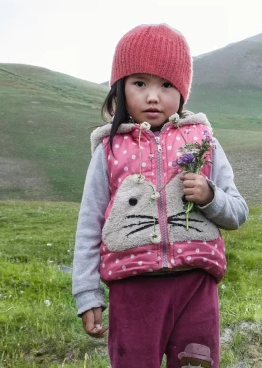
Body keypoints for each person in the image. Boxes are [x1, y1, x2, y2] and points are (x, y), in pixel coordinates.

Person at [72, 23, 248, 368]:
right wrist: (87, 292)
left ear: (182, 91)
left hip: (195, 288)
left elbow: (238, 212)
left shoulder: (203, 142)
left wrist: (210, 195)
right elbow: (90, 223)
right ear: (120, 89)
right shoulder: (108, 149)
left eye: (166, 84)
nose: (153, 96)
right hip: (132, 290)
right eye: (140, 83)